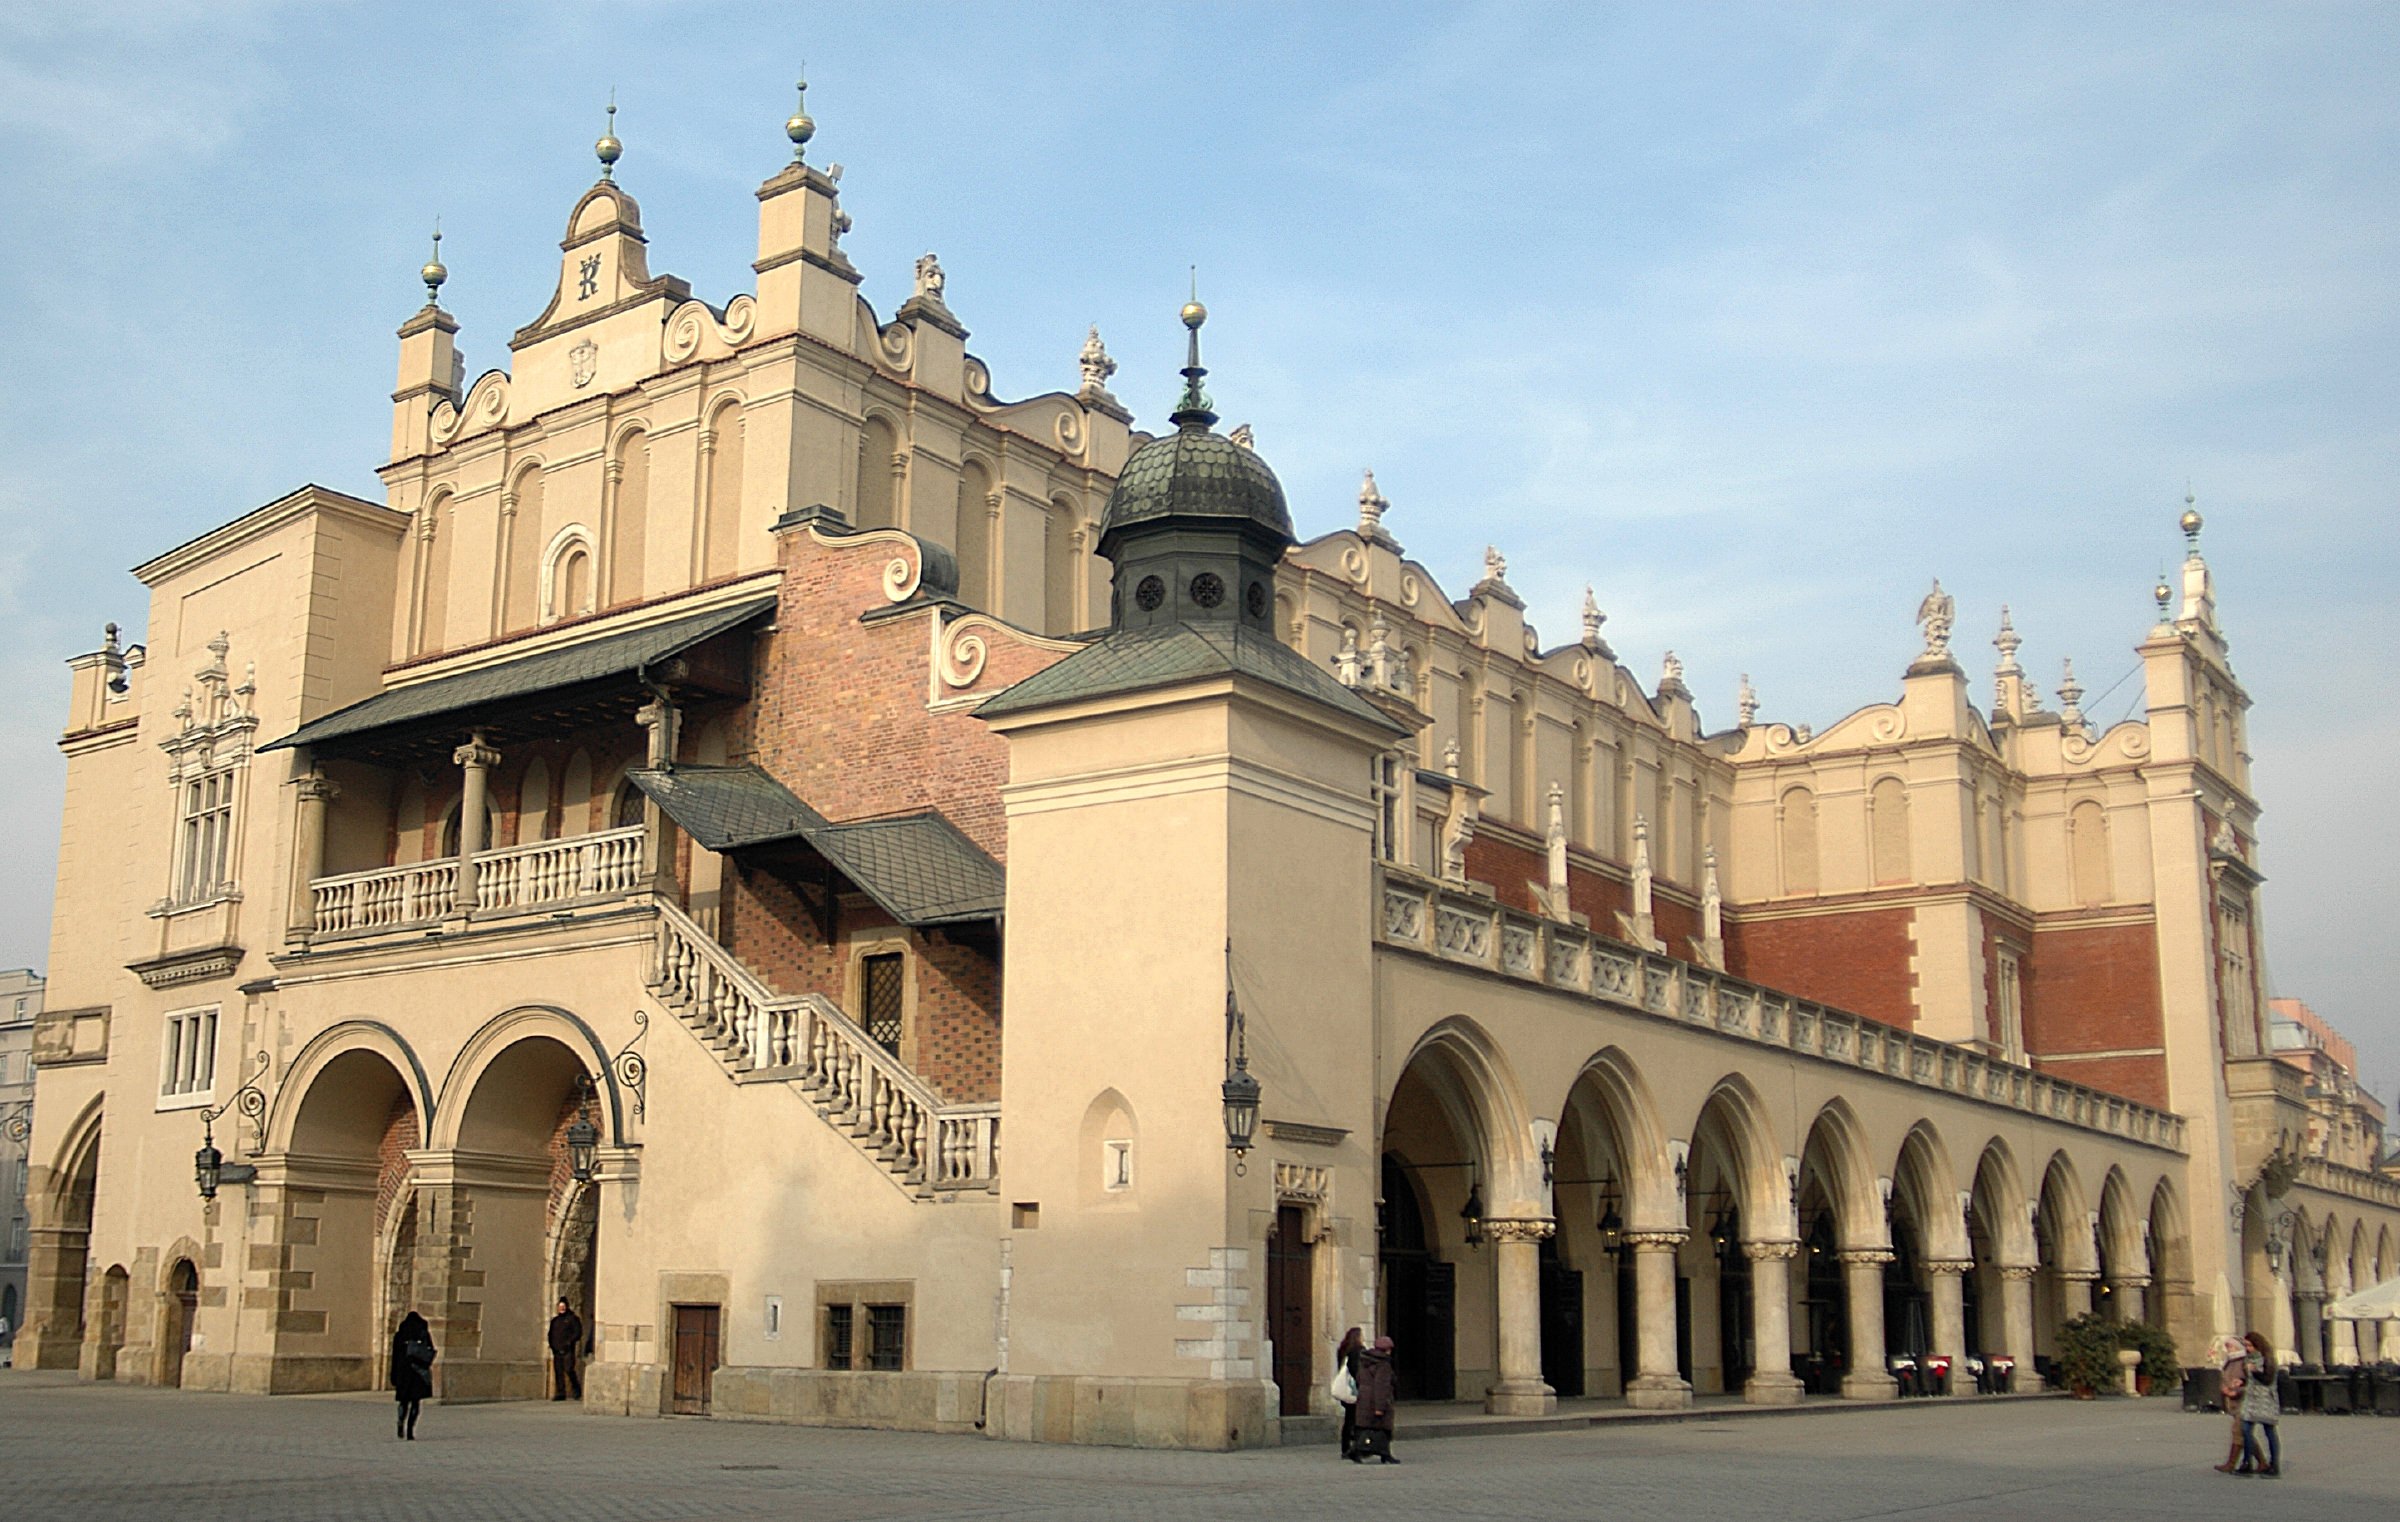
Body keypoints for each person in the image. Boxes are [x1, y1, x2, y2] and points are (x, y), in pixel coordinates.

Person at [2238, 1331, 2282, 1478]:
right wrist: (2241, 1382)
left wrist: (2255, 1371)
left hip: (2265, 1399)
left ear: (2258, 1345)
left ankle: (2274, 1465)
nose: (2248, 1348)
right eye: (2246, 1345)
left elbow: (2268, 1379)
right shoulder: (2247, 1359)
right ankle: (2247, 1463)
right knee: (2245, 1429)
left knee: (2269, 1430)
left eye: (2250, 1345)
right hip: (2251, 1399)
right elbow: (2249, 1379)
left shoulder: (2267, 1358)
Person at [1352, 1334, 1399, 1465]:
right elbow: (1381, 1386)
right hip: (1376, 1400)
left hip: (1364, 1399)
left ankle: (1361, 1451)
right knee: (1382, 1429)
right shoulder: (1383, 1364)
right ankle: (1382, 1453)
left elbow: (1359, 1379)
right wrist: (1380, 1407)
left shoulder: (1364, 1361)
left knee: (1366, 1427)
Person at [391, 1311, 436, 1441]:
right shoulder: (423, 1333)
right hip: (418, 1372)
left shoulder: (400, 1335)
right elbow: (429, 1351)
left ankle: (400, 1422)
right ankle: (410, 1430)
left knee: (403, 1402)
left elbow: (395, 1357)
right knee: (416, 1403)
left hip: (403, 1372)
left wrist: (394, 1375)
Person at [2212, 1336, 2249, 1473]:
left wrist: (2238, 1389)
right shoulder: (2228, 1361)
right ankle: (2262, 1462)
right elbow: (2225, 1378)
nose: (2228, 1349)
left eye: (2230, 1346)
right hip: (2232, 1402)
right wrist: (2224, 1388)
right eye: (2226, 1346)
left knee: (2238, 1431)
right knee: (2245, 1434)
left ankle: (2231, 1464)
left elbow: (2250, 1383)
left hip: (2244, 1402)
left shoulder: (2244, 1362)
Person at [1332, 1326, 1364, 1459]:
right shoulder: (1357, 1351)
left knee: (1349, 1419)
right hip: (1353, 1390)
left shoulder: (1343, 1350)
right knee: (1355, 1420)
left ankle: (1345, 1447)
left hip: (1345, 1389)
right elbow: (1357, 1370)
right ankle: (1355, 1447)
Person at [548, 1297, 585, 1401]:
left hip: (568, 1350)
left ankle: (576, 1389)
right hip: (556, 1350)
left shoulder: (573, 1319)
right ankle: (560, 1392)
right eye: (560, 1307)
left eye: (563, 1306)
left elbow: (578, 1333)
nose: (562, 1308)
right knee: (558, 1372)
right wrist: (552, 1345)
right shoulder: (555, 1321)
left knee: (569, 1369)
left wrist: (569, 1342)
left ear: (567, 1307)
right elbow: (550, 1334)